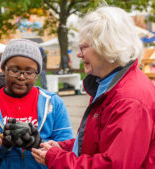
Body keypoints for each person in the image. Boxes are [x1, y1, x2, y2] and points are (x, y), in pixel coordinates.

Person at [32, 6, 155, 169]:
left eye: (83, 47)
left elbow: (113, 165)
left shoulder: (128, 99)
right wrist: (64, 147)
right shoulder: (112, 85)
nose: (78, 54)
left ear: (105, 46)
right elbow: (99, 140)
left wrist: (57, 158)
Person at [0, 39, 73, 169]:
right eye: (14, 70)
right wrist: (2, 146)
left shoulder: (53, 103)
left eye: (29, 72)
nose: (21, 77)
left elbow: (68, 152)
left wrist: (39, 144)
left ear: (37, 75)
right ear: (3, 70)